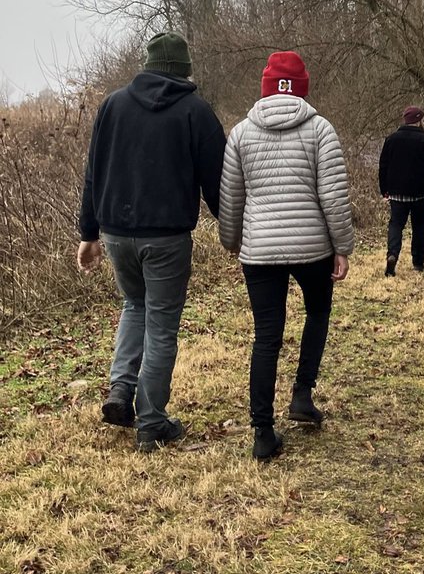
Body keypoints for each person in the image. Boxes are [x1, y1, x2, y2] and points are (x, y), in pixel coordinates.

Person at [77, 32, 226, 452]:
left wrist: (88, 234)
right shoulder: (196, 112)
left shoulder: (112, 105)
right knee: (161, 323)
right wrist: (232, 227)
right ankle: (152, 422)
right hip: (166, 237)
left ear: (147, 65)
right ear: (184, 70)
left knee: (134, 306)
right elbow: (219, 181)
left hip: (116, 235)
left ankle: (121, 392)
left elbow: (93, 173)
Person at [218, 51, 354, 462]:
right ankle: (302, 395)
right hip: (312, 247)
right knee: (317, 313)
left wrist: (231, 241)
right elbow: (333, 196)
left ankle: (262, 431)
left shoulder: (241, 133)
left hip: (259, 250)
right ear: (302, 87)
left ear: (265, 87)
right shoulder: (320, 130)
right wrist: (342, 247)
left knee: (266, 336)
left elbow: (231, 198)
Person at [378, 105, 424, 277]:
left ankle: (392, 254)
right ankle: (417, 262)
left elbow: (383, 167)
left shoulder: (391, 139)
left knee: (395, 225)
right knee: (419, 227)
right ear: (418, 121)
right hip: (419, 194)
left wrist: (384, 190)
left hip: (396, 193)